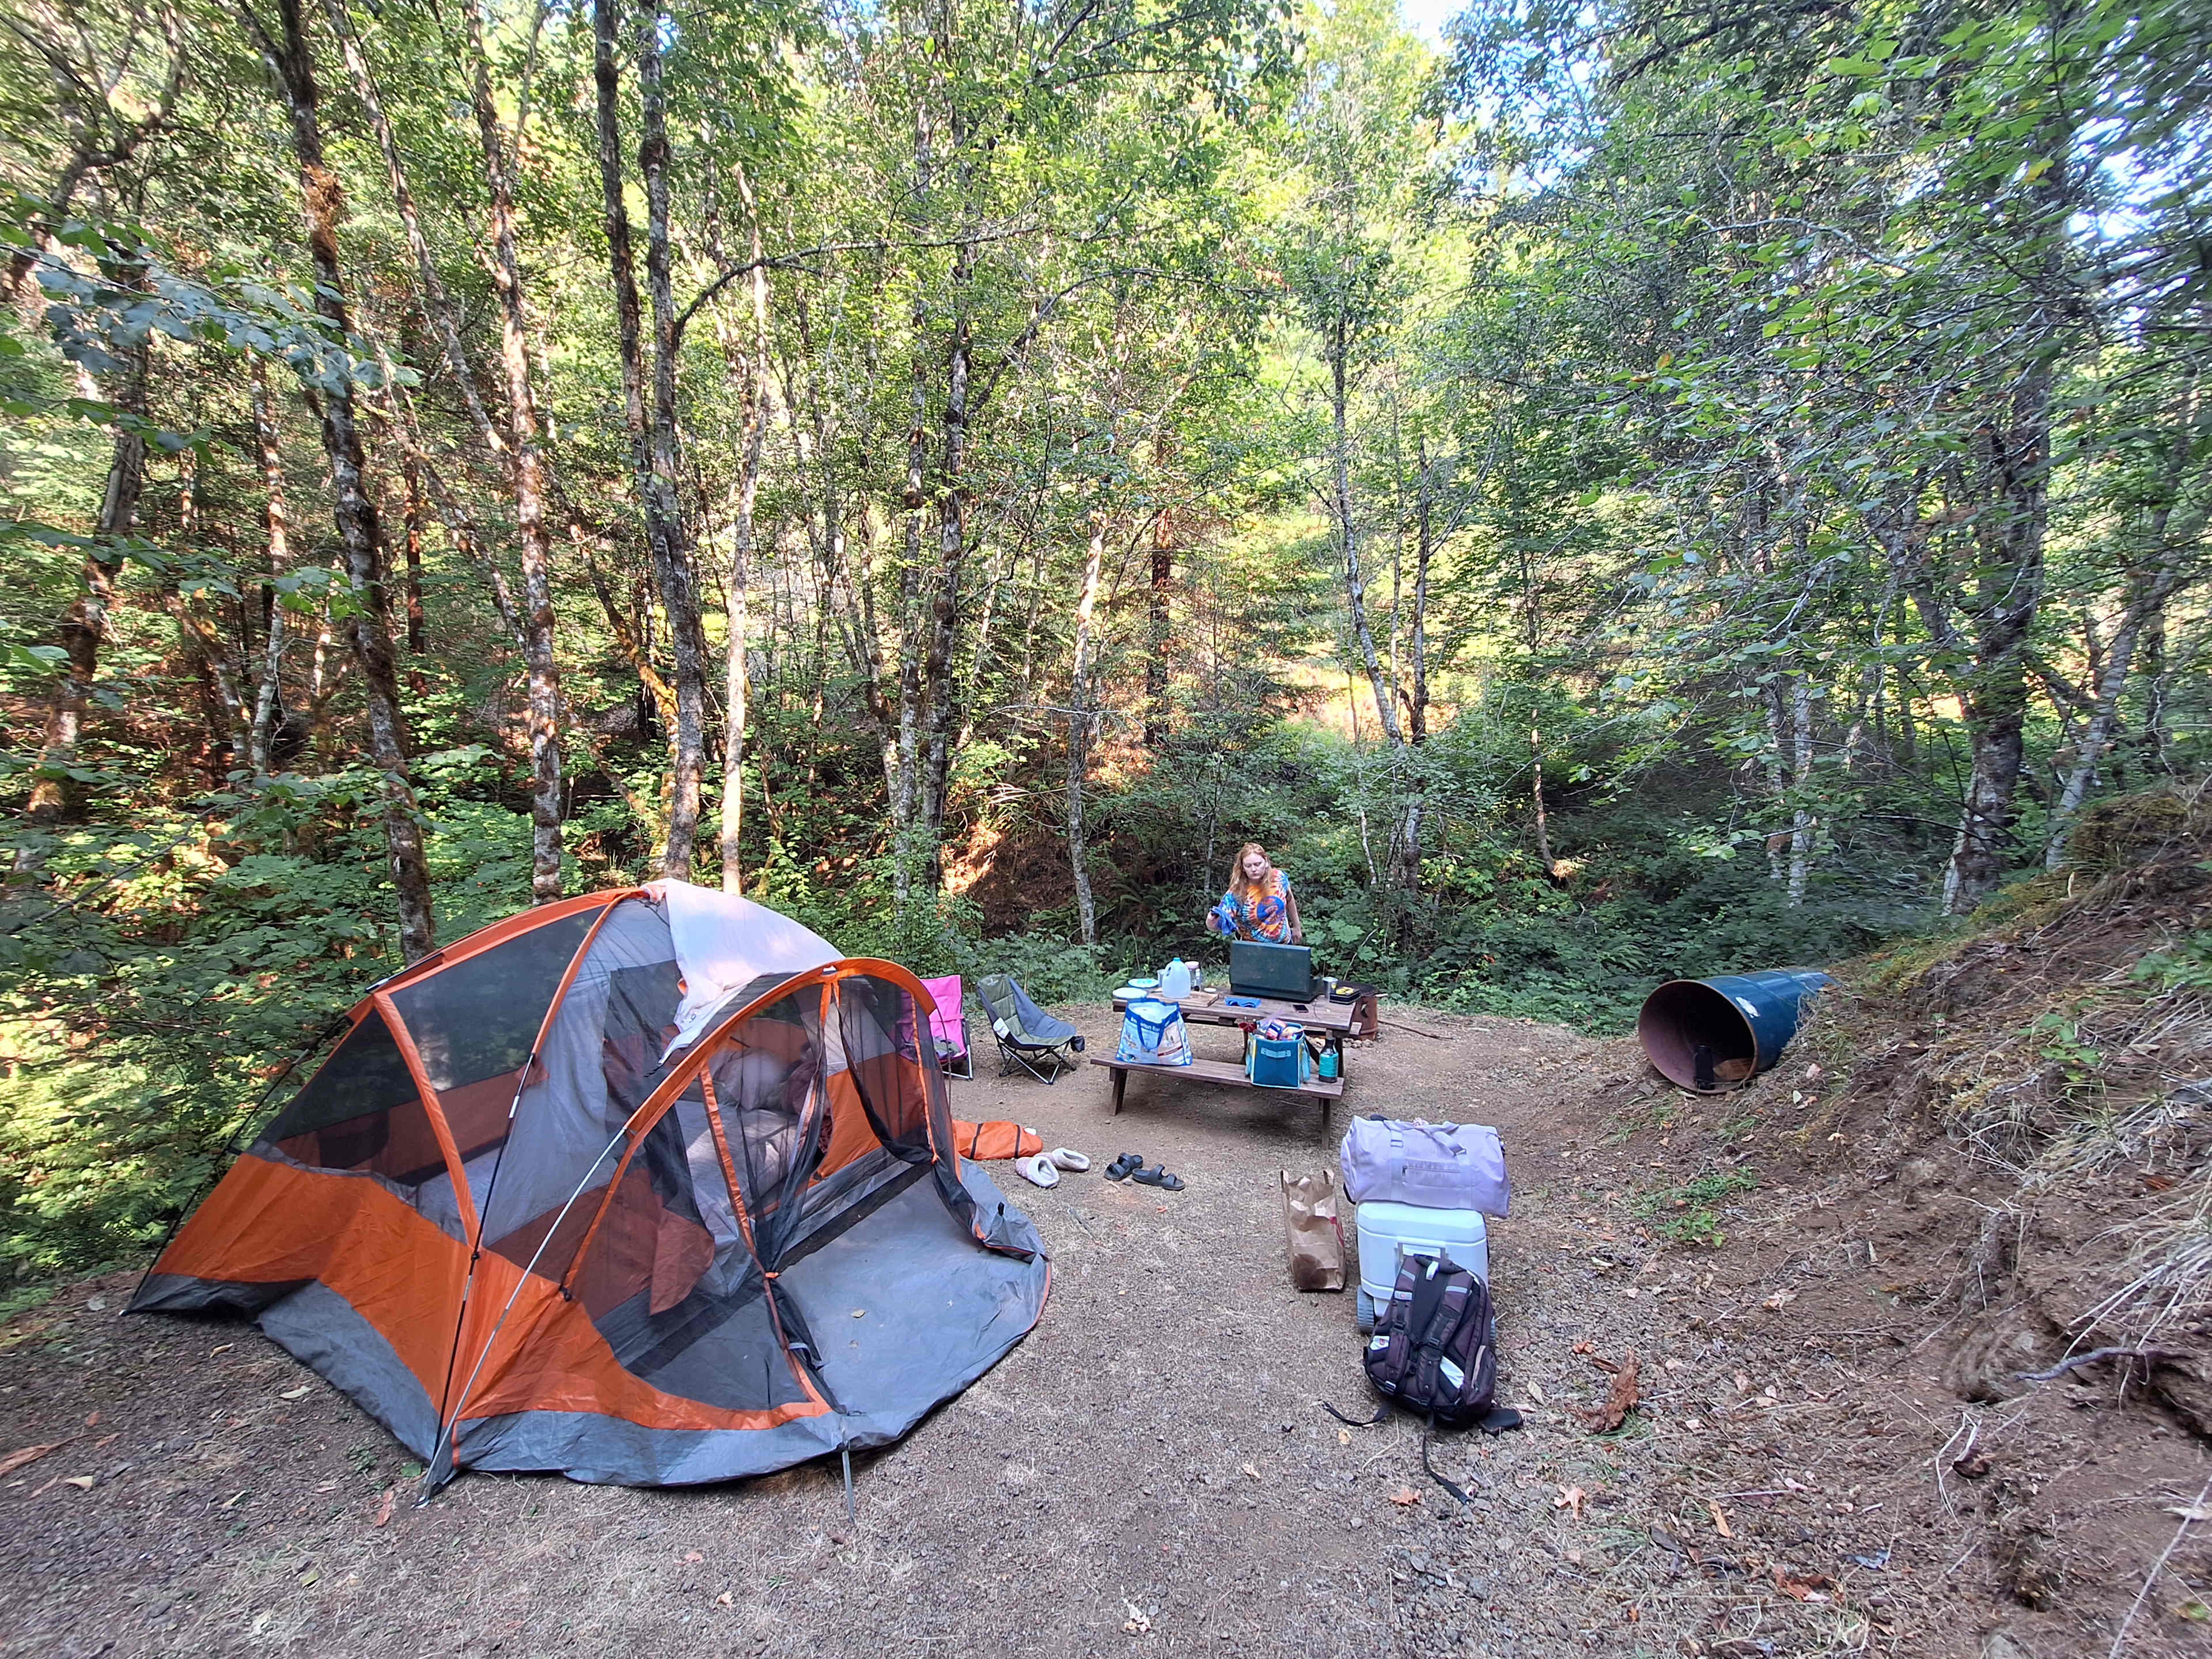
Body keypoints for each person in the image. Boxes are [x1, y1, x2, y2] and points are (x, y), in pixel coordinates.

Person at [1207, 842, 1303, 945]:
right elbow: (1217, 924)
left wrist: (1297, 926)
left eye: (1258, 864)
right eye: (1248, 866)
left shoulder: (1279, 878)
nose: (1253, 869)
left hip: (1284, 944)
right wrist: (1210, 921)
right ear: (1243, 868)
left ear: (1266, 862)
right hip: (1252, 949)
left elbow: (1289, 899)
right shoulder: (1236, 893)